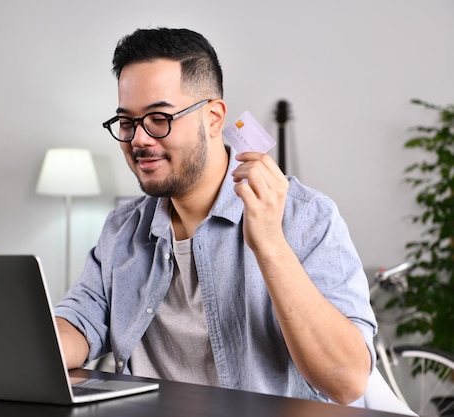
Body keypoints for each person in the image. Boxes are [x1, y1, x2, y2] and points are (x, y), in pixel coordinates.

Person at [54, 27, 377, 406]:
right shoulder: (123, 229)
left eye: (158, 118)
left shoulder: (307, 217)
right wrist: (18, 347)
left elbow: (348, 382)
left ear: (213, 117)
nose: (139, 139)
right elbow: (80, 321)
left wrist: (270, 244)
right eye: (127, 122)